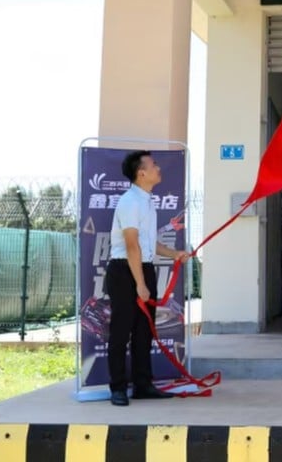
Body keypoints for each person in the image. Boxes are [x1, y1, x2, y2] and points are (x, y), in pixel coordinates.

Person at [105, 150, 188, 406]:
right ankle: (118, 388)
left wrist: (175, 254)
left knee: (144, 332)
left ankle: (143, 385)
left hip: (143, 268)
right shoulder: (130, 202)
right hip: (125, 271)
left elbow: (148, 244)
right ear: (141, 173)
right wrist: (140, 284)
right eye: (153, 165)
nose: (158, 168)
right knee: (121, 331)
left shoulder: (147, 201)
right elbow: (131, 246)